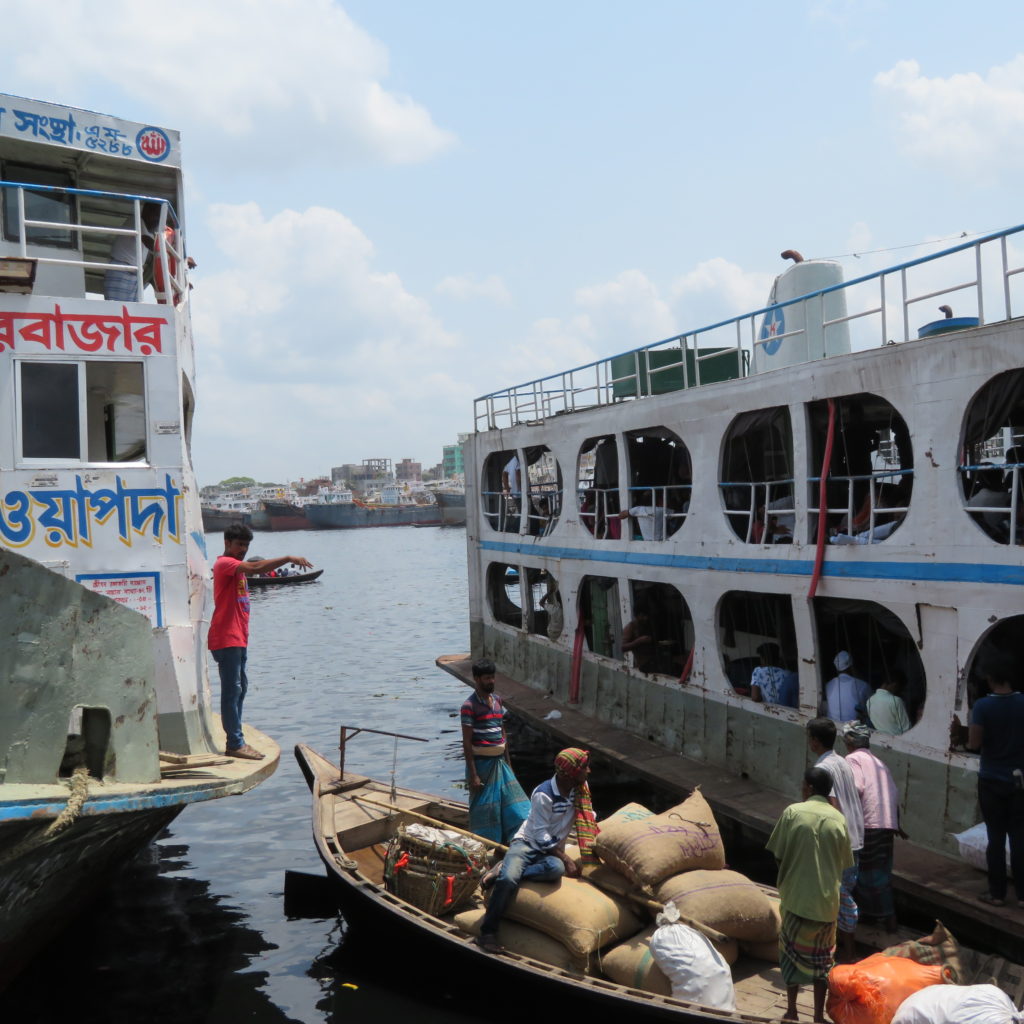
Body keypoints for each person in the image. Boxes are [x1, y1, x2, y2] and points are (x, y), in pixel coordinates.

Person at [477, 747, 598, 954]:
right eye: (584, 767)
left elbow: (588, 814)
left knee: (554, 870)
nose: (588, 771)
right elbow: (540, 835)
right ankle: (487, 932)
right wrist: (567, 859)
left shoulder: (580, 788)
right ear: (569, 773)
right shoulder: (544, 795)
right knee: (508, 881)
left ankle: (504, 869)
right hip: (527, 843)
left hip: (550, 850)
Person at [208, 523, 312, 759]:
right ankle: (235, 743)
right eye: (239, 544)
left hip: (238, 638)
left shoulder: (238, 570)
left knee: (240, 689)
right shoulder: (225, 564)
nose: (243, 549)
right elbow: (255, 567)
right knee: (232, 690)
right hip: (226, 637)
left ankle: (236, 740)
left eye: (246, 545)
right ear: (227, 543)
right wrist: (287, 557)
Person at [767, 766, 853, 1023]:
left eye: (803, 785)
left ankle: (792, 1010)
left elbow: (778, 853)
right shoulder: (839, 819)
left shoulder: (793, 812)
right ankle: (817, 1016)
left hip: (795, 899)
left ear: (810, 788)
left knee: (790, 956)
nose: (801, 788)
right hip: (826, 904)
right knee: (823, 963)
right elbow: (844, 862)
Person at [967, 648, 1024, 907]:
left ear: (989, 676)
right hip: (1019, 780)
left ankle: (997, 893)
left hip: (992, 779)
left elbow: (974, 743)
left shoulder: (983, 706)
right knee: (1020, 838)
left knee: (996, 838)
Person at [807, 718, 864, 960]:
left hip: (840, 841)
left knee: (838, 897)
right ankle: (841, 947)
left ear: (815, 741)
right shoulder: (842, 762)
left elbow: (832, 807)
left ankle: (847, 952)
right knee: (842, 894)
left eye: (809, 737)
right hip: (855, 835)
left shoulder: (822, 769)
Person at [844, 723, 906, 931]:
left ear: (850, 741)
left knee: (867, 873)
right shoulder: (879, 762)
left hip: (870, 823)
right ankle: (871, 916)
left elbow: (856, 788)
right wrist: (897, 823)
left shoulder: (852, 760)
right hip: (886, 823)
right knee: (880, 870)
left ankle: (889, 920)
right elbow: (893, 793)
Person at [461, 658, 530, 844]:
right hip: (482, 766)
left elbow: (503, 734)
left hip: (500, 763)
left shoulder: (498, 701)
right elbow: (467, 743)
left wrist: (509, 765)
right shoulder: (469, 707)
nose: (491, 681)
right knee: (485, 810)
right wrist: (473, 775)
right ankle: (486, 844)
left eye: (492, 677)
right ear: (476, 679)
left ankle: (515, 839)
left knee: (519, 807)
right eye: (486, 678)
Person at [824, 651, 871, 723]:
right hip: (852, 729)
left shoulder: (828, 684)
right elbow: (872, 708)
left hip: (831, 726)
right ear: (852, 666)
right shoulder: (862, 685)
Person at [750, 642, 799, 708]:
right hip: (785, 710)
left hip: (767, 710)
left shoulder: (758, 671)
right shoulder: (788, 674)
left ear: (762, 659)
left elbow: (755, 697)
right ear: (778, 658)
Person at [622, 601, 657, 672]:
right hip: (643, 666)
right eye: (643, 616)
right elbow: (623, 647)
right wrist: (639, 641)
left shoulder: (648, 624)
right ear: (637, 615)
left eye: (647, 615)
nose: (646, 618)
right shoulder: (630, 627)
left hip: (655, 661)